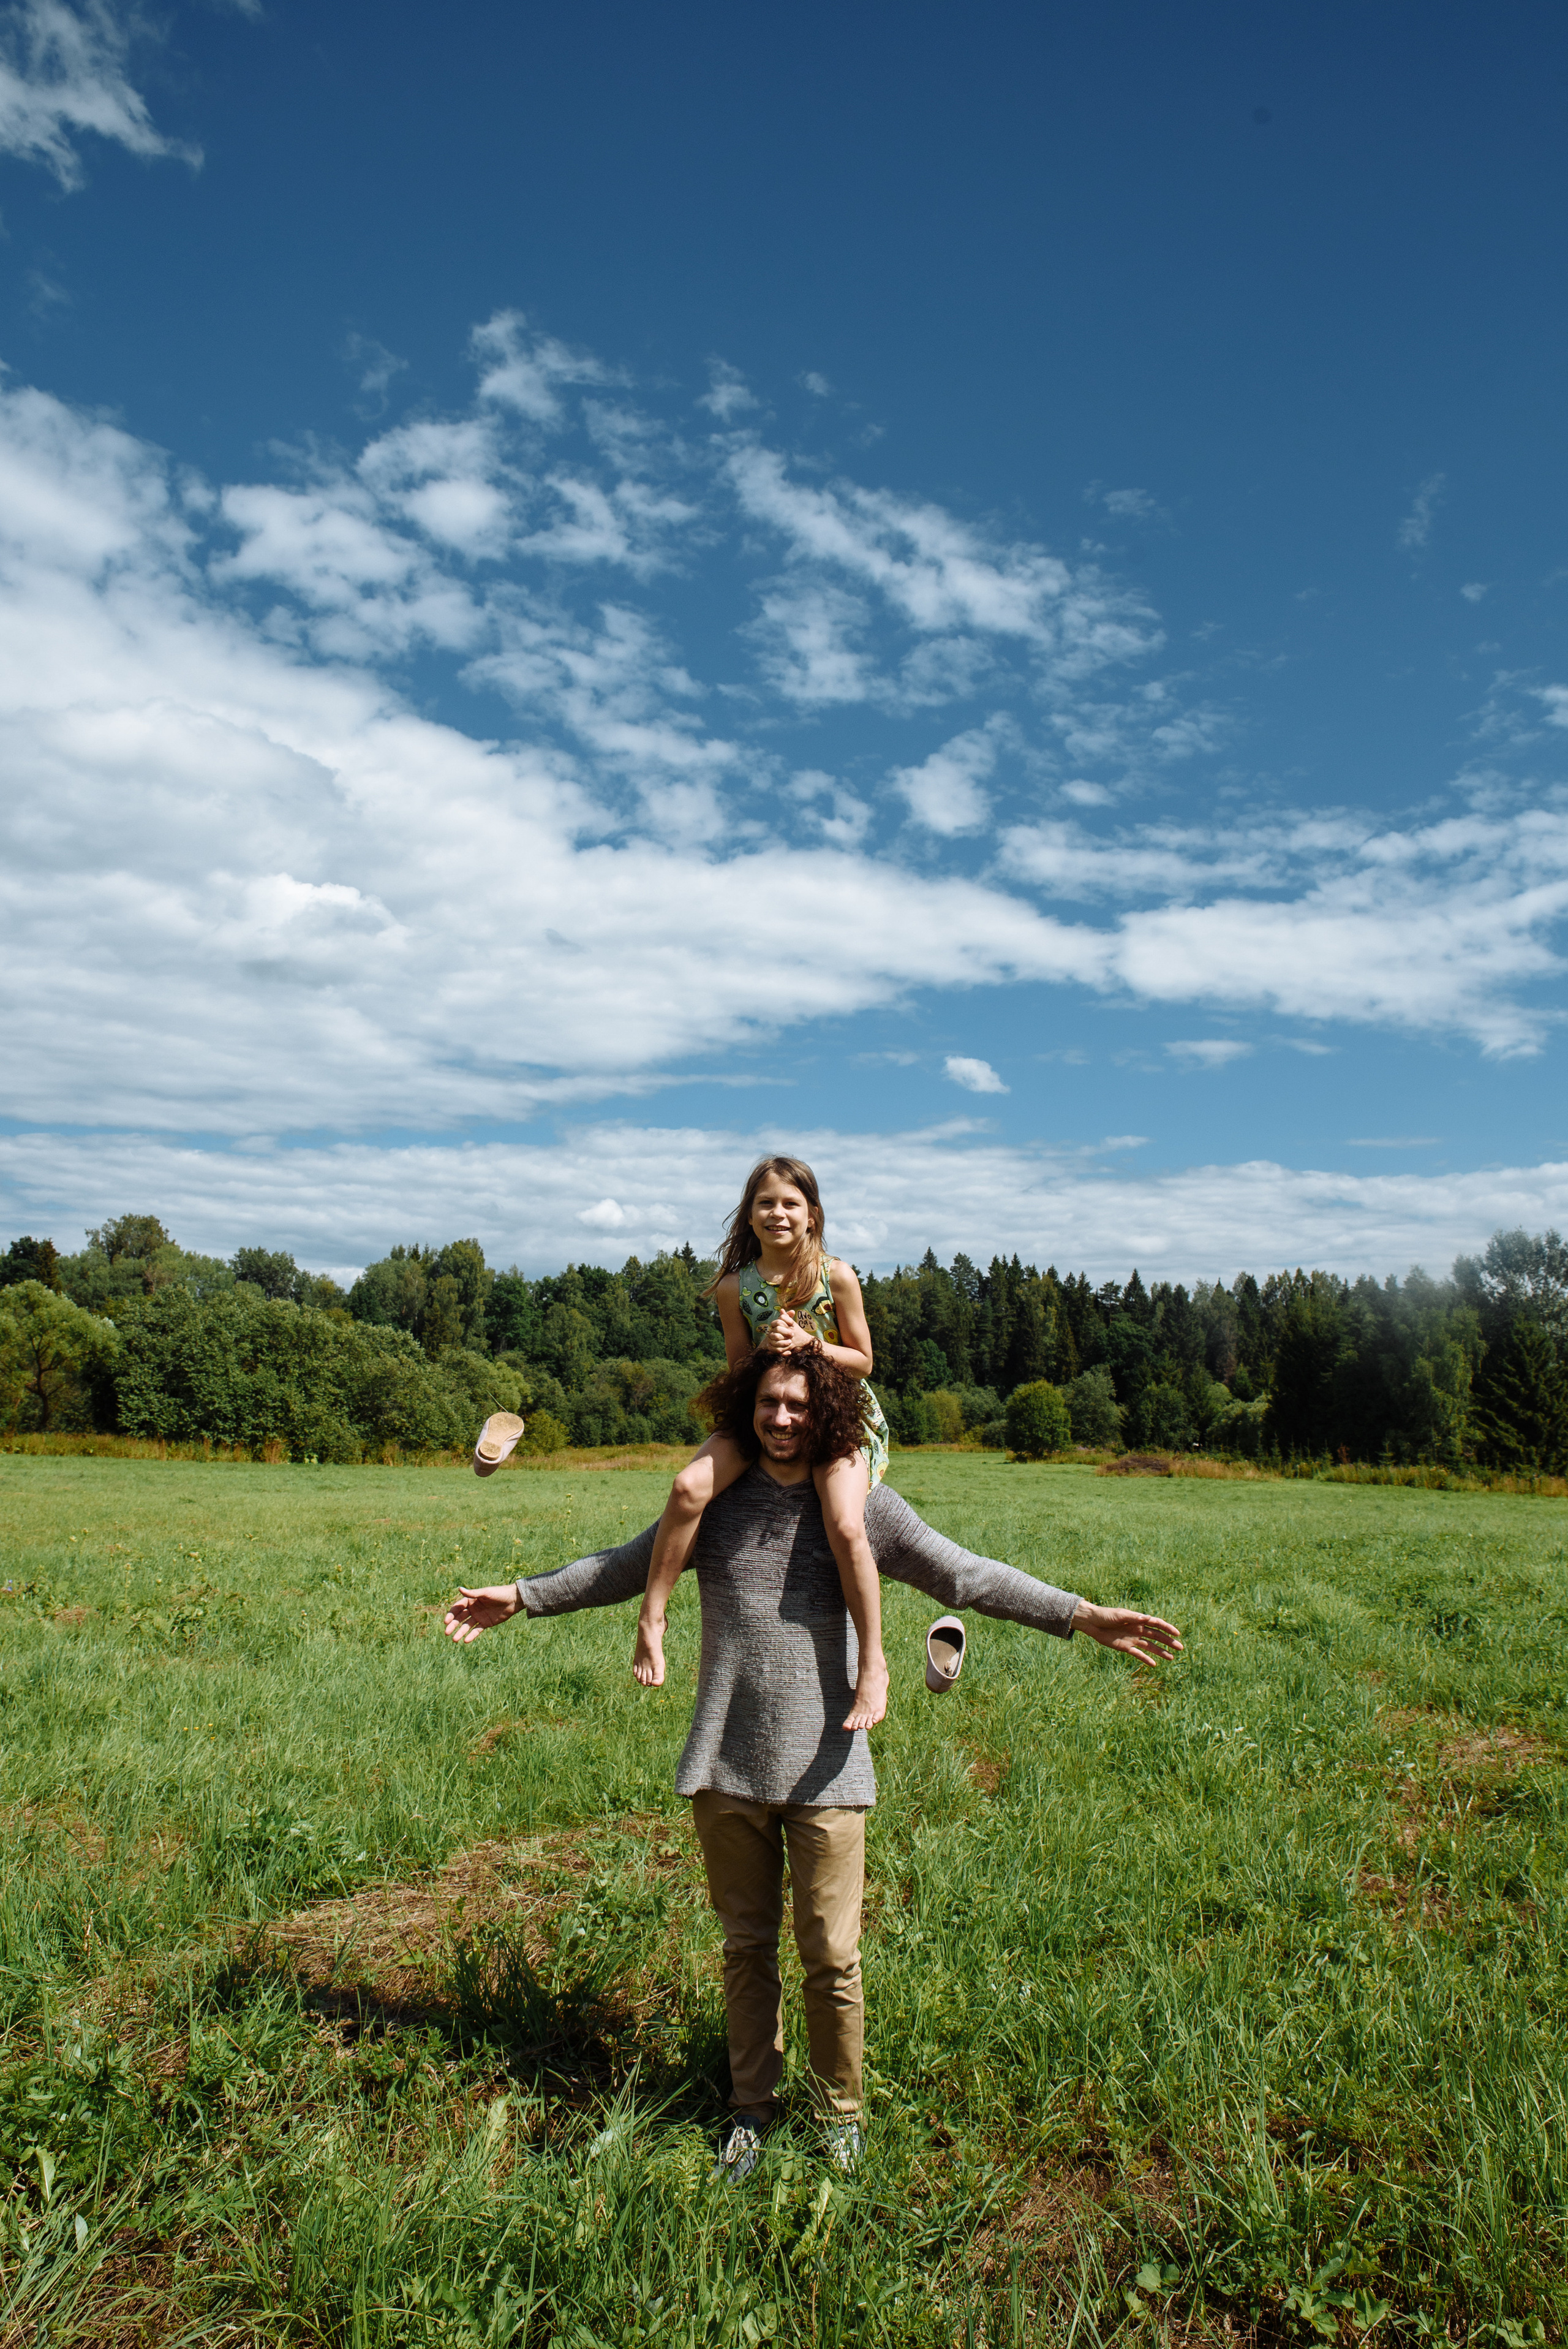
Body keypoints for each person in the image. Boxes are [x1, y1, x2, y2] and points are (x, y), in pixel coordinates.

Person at [444, 1347, 1183, 2179]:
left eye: (799, 1404)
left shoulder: (866, 1509)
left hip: (828, 1764)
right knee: (747, 1947)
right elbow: (625, 1564)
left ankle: (840, 2116)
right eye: (769, 1404)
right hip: (725, 1761)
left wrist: (1080, 1614)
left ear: (824, 1410)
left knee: (832, 1954)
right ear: (745, 1410)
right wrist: (524, 1593)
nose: (784, 1418)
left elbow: (963, 1574)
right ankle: (750, 2109)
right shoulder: (716, 1502)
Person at [633, 1156, 892, 1734]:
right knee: (687, 1486)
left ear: (812, 1215)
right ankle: (653, 1618)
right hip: (763, 1412)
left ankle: (873, 1662)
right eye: (766, 1203)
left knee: (847, 1525)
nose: (778, 1213)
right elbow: (737, 1373)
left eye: (790, 1203)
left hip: (834, 1416)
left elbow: (865, 1361)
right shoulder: (735, 1287)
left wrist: (810, 1344)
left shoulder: (838, 1275)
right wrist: (766, 1354)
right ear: (749, 1215)